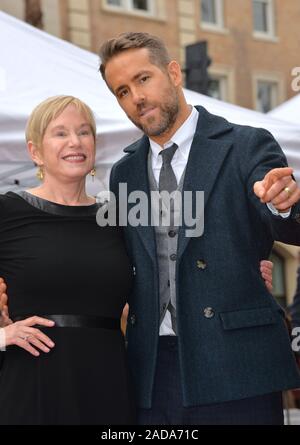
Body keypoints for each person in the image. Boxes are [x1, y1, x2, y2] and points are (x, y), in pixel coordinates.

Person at [97, 32, 300, 425]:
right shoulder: (122, 173)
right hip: (152, 370)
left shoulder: (245, 145)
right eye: (121, 91)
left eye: (142, 79)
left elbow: (291, 225)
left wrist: (284, 202)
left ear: (173, 72)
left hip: (239, 363)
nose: (135, 97)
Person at [0, 95, 135, 425]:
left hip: (109, 381)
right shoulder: (7, 210)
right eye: (60, 133)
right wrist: (2, 336)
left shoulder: (117, 217)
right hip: (32, 385)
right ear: (35, 151)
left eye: (84, 131)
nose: (75, 142)